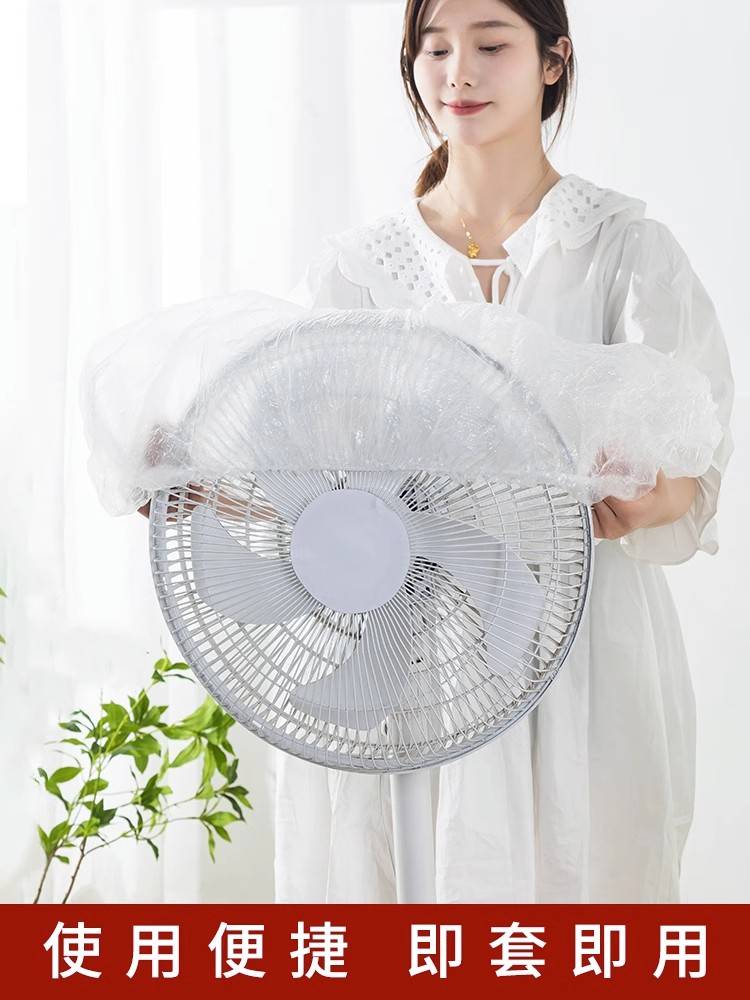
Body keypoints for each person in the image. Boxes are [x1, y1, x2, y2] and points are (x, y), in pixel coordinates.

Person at [271, 0, 735, 904]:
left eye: (491, 44)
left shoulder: (625, 250)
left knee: (588, 886)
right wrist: (191, 481)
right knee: (411, 894)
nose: (458, 73)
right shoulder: (358, 270)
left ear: (553, 61)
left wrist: (649, 496)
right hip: (408, 650)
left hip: (587, 638)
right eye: (435, 49)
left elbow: (695, 455)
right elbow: (290, 452)